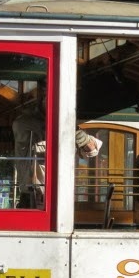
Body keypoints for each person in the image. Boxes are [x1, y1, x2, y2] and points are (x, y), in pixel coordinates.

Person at [12, 80, 101, 209]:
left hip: (61, 196)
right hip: (33, 196)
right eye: (53, 101)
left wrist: (77, 134)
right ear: (43, 99)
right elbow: (44, 131)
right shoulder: (25, 122)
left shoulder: (68, 126)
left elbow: (92, 150)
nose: (57, 107)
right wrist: (68, 129)